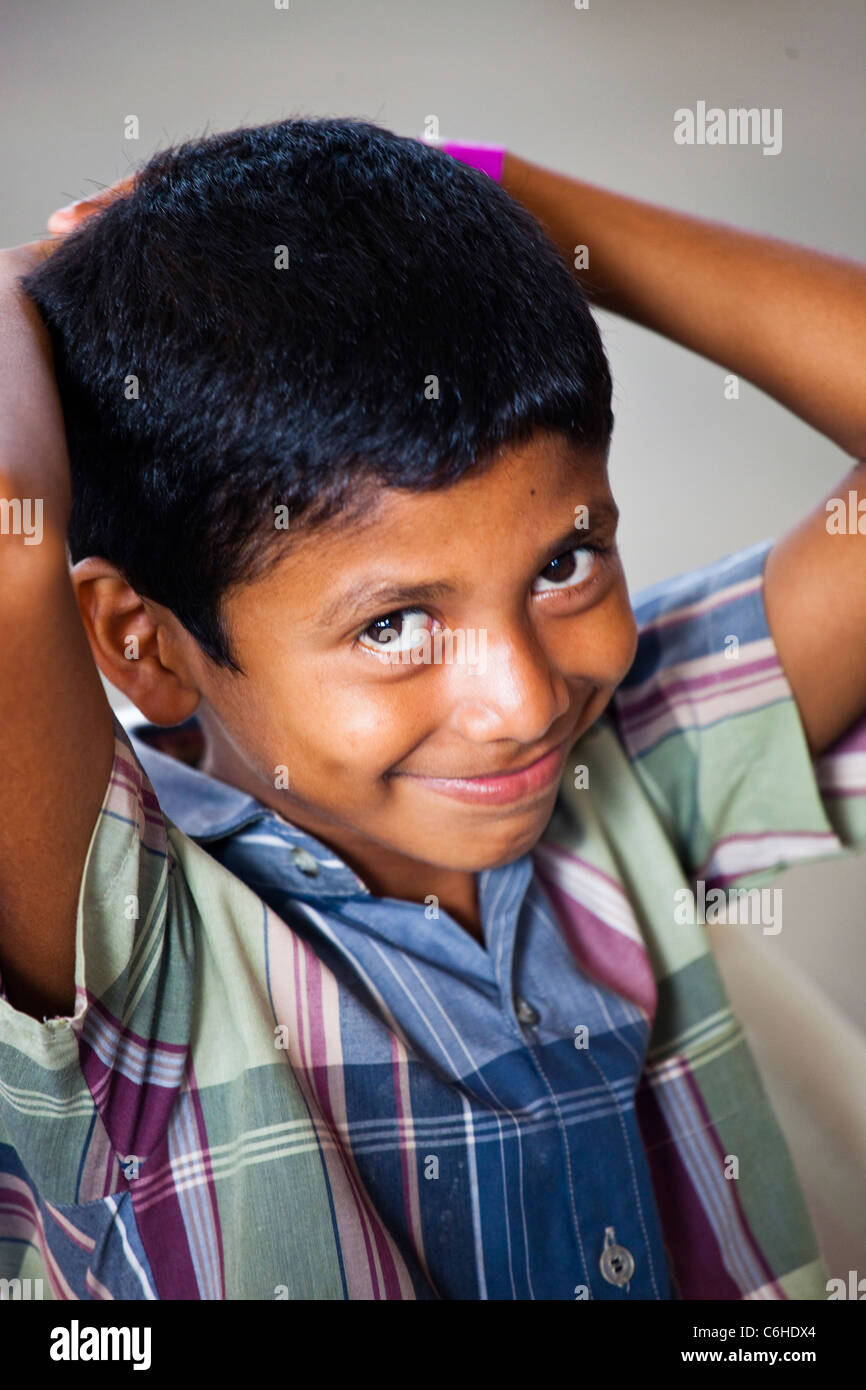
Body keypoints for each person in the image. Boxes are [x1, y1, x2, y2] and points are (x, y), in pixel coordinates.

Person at [0, 117, 864, 1301]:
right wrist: (23, 291)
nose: (520, 702)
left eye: (564, 564)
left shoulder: (622, 775)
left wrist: (514, 203)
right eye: (393, 625)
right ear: (146, 647)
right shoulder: (129, 951)